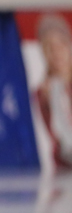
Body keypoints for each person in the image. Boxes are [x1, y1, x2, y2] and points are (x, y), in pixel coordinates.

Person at [35, 14, 72, 171]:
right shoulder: (43, 93)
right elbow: (61, 138)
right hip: (64, 170)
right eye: (50, 47)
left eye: (61, 44)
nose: (57, 52)